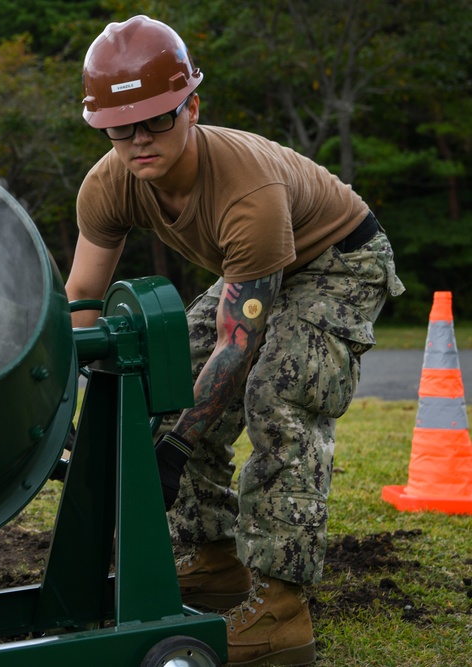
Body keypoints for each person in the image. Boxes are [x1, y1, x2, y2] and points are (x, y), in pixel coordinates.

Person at [65, 15, 405, 667]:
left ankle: (281, 610)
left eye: (158, 119)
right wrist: (78, 405)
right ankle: (216, 559)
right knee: (163, 374)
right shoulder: (107, 186)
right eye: (118, 126)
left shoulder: (246, 187)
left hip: (337, 258)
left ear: (192, 107)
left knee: (280, 393)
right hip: (251, 276)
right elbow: (83, 300)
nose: (139, 139)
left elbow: (238, 342)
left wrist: (176, 445)